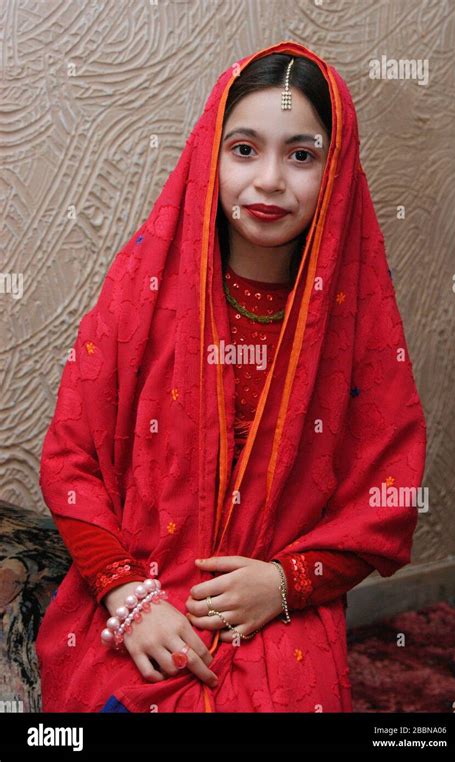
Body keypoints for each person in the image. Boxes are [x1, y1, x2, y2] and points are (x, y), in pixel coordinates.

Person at [35, 40, 426, 713]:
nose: (270, 180)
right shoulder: (142, 289)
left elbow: (384, 494)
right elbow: (72, 460)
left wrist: (285, 584)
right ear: (208, 157)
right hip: (139, 589)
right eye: (244, 149)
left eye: (301, 155)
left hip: (282, 604)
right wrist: (130, 595)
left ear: (336, 171)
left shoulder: (354, 318)